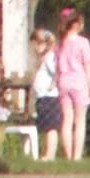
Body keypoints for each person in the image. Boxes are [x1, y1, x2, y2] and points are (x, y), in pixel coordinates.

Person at [53, 8, 90, 160]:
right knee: (80, 121)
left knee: (67, 120)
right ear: (77, 24)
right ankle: (76, 156)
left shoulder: (60, 43)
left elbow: (57, 67)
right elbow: (88, 66)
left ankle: (68, 154)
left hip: (64, 81)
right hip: (79, 82)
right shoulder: (83, 43)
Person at [29, 27, 62, 160]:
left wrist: (53, 84)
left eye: (35, 45)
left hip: (49, 97)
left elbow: (57, 71)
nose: (34, 49)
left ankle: (50, 154)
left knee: (51, 128)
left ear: (43, 44)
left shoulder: (49, 57)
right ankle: (47, 152)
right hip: (42, 97)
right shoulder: (42, 58)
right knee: (46, 126)